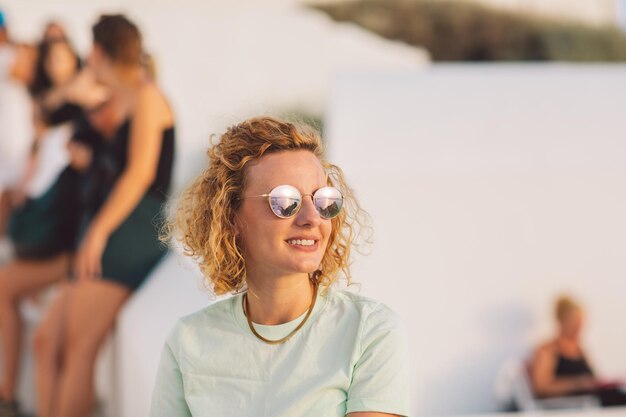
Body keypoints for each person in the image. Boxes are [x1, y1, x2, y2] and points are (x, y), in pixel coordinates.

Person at [151, 117, 409, 417]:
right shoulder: (188, 341)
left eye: (323, 200)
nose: (312, 218)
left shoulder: (369, 332)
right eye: (285, 201)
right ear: (231, 216)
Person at [33, 14, 174, 417]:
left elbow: (140, 174)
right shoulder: (116, 98)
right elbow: (49, 115)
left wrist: (96, 233)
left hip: (129, 232)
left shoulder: (146, 96)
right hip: (107, 228)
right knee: (46, 340)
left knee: (79, 347)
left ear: (97, 52)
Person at [530, 295, 626, 407]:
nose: (579, 327)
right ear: (562, 320)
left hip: (591, 400)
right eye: (575, 322)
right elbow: (541, 388)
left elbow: (593, 378)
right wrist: (578, 383)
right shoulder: (547, 350)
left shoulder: (580, 349)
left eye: (581, 322)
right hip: (571, 404)